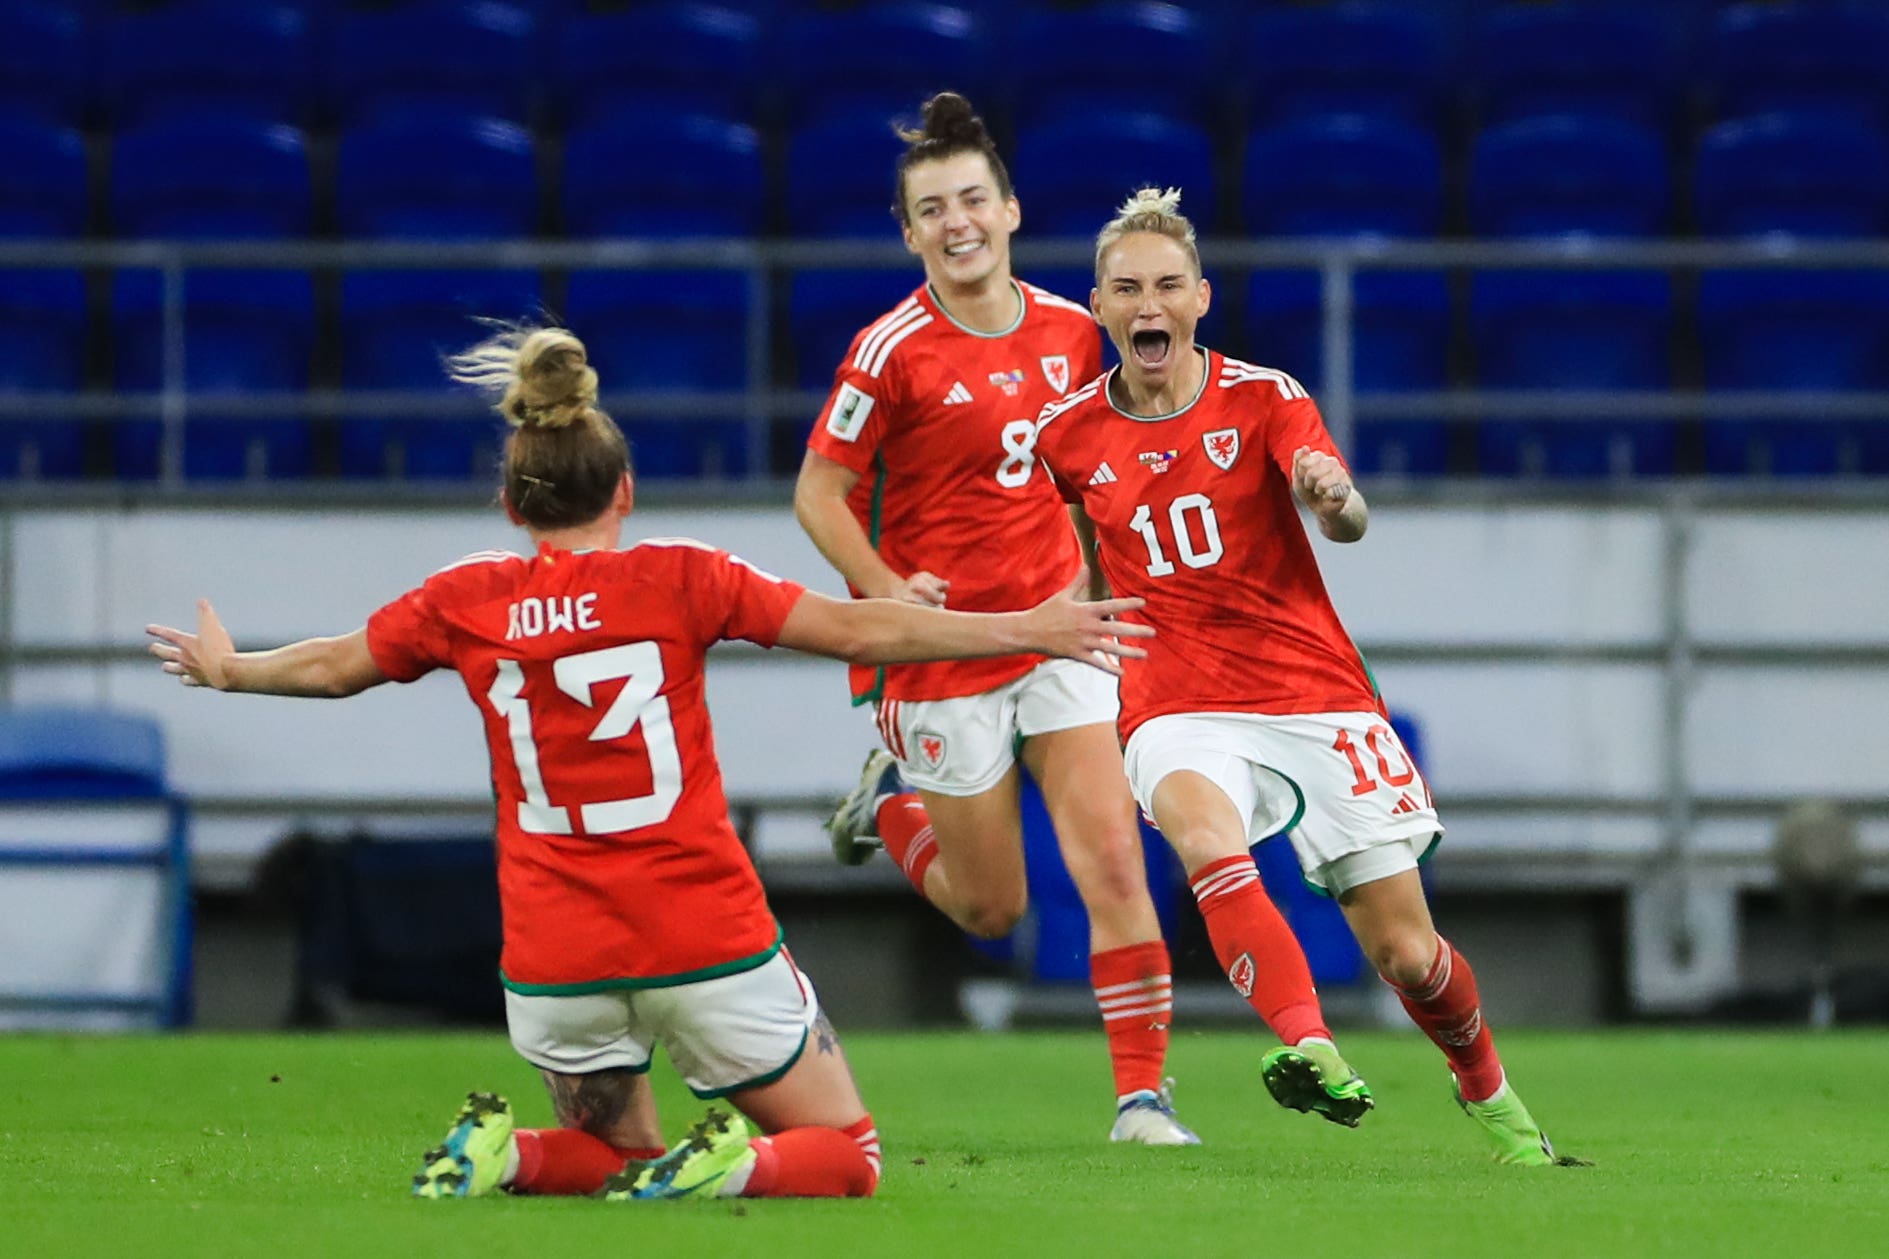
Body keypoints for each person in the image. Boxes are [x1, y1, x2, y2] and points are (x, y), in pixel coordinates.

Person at [145, 325, 1152, 1201]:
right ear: (625, 487)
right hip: (701, 931)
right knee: (849, 1154)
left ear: (510, 504)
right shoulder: (682, 577)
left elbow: (331, 668)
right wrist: (1025, 624)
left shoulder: (463, 599)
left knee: (613, 1152)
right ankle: (739, 1166)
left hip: (553, 958)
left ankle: (512, 1155)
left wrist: (232, 671)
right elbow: (857, 629)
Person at [1029, 187, 1585, 1167]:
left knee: (1407, 954)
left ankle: (1490, 1096)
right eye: (1126, 289)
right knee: (1204, 838)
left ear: (1199, 298)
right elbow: (1076, 554)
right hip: (1174, 702)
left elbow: (1339, 503)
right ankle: (1311, 1043)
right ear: (1099, 307)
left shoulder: (1263, 396)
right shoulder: (1066, 435)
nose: (1147, 303)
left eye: (1166, 285)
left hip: (1313, 693)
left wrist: (1335, 501)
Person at [794, 92, 1195, 1145]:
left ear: (1010, 210)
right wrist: (882, 586)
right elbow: (817, 494)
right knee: (992, 909)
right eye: (932, 209)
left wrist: (1116, 584)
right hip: (943, 654)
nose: (956, 222)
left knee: (1113, 854)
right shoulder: (889, 351)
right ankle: (891, 805)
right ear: (909, 231)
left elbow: (1100, 478)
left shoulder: (1075, 333)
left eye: (972, 198)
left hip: (1060, 633)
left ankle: (1141, 1099)